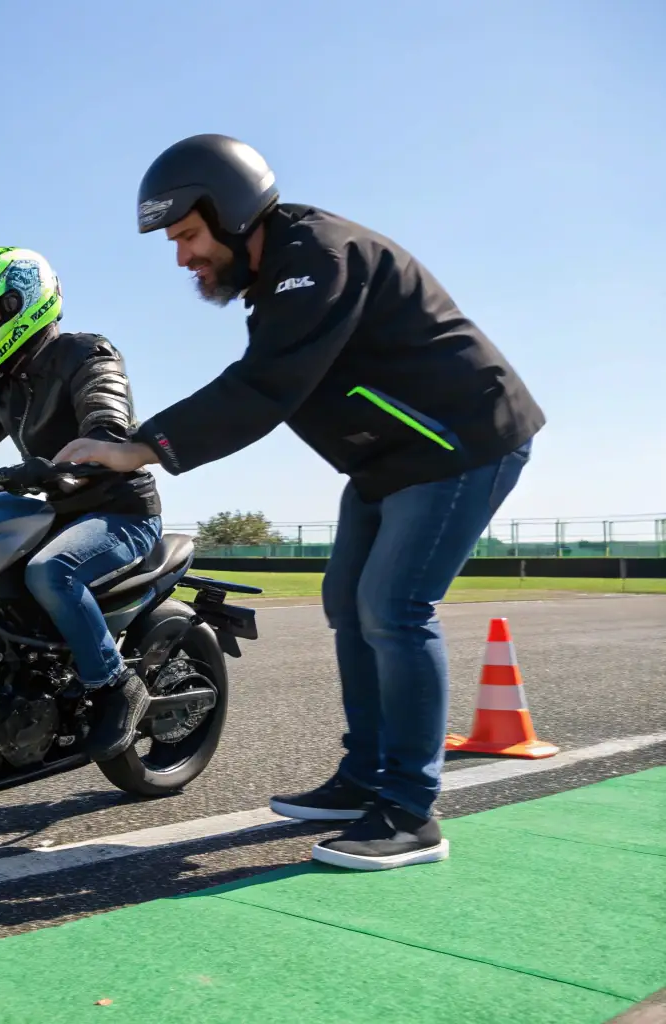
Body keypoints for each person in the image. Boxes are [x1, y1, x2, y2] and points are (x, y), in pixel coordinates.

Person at [56, 135, 545, 870]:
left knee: (394, 608)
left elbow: (263, 385)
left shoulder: (318, 257)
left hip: (462, 441)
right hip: (389, 460)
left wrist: (142, 446)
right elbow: (267, 381)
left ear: (232, 211)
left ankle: (409, 813)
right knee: (346, 603)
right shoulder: (279, 275)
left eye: (187, 235)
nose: (181, 257)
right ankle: (362, 778)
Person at [0, 246, 164, 761]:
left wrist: (71, 460)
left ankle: (116, 686)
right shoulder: (6, 386)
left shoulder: (87, 354)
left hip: (119, 512)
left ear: (20, 306)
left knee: (52, 572)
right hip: (56, 513)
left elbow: (108, 426)